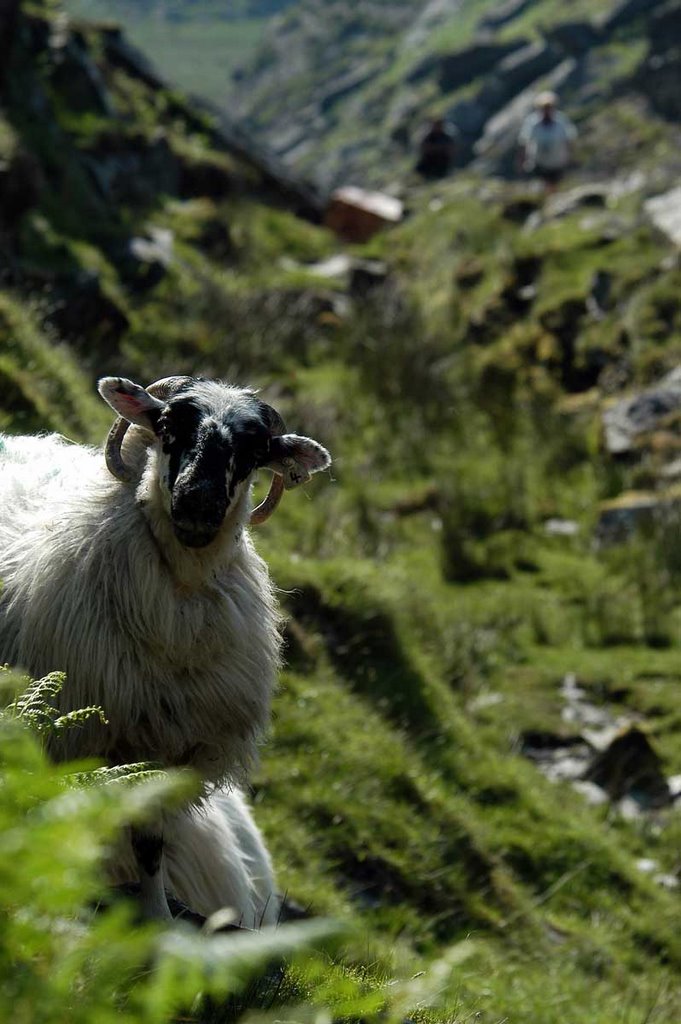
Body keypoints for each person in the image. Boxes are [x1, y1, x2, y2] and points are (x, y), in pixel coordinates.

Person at [517, 92, 577, 190]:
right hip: (539, 162)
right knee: (542, 185)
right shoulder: (532, 122)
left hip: (558, 162)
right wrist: (522, 161)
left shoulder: (561, 121)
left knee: (555, 185)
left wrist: (571, 157)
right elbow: (524, 142)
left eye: (549, 107)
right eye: (544, 107)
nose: (547, 110)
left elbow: (569, 140)